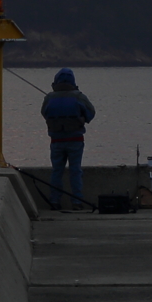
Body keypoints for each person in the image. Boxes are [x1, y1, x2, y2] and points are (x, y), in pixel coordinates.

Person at [41, 68, 95, 210]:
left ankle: (55, 201)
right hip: (76, 140)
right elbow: (91, 112)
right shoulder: (79, 97)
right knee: (75, 171)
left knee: (56, 171)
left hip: (56, 141)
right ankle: (76, 202)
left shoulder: (49, 98)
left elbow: (44, 113)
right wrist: (82, 118)